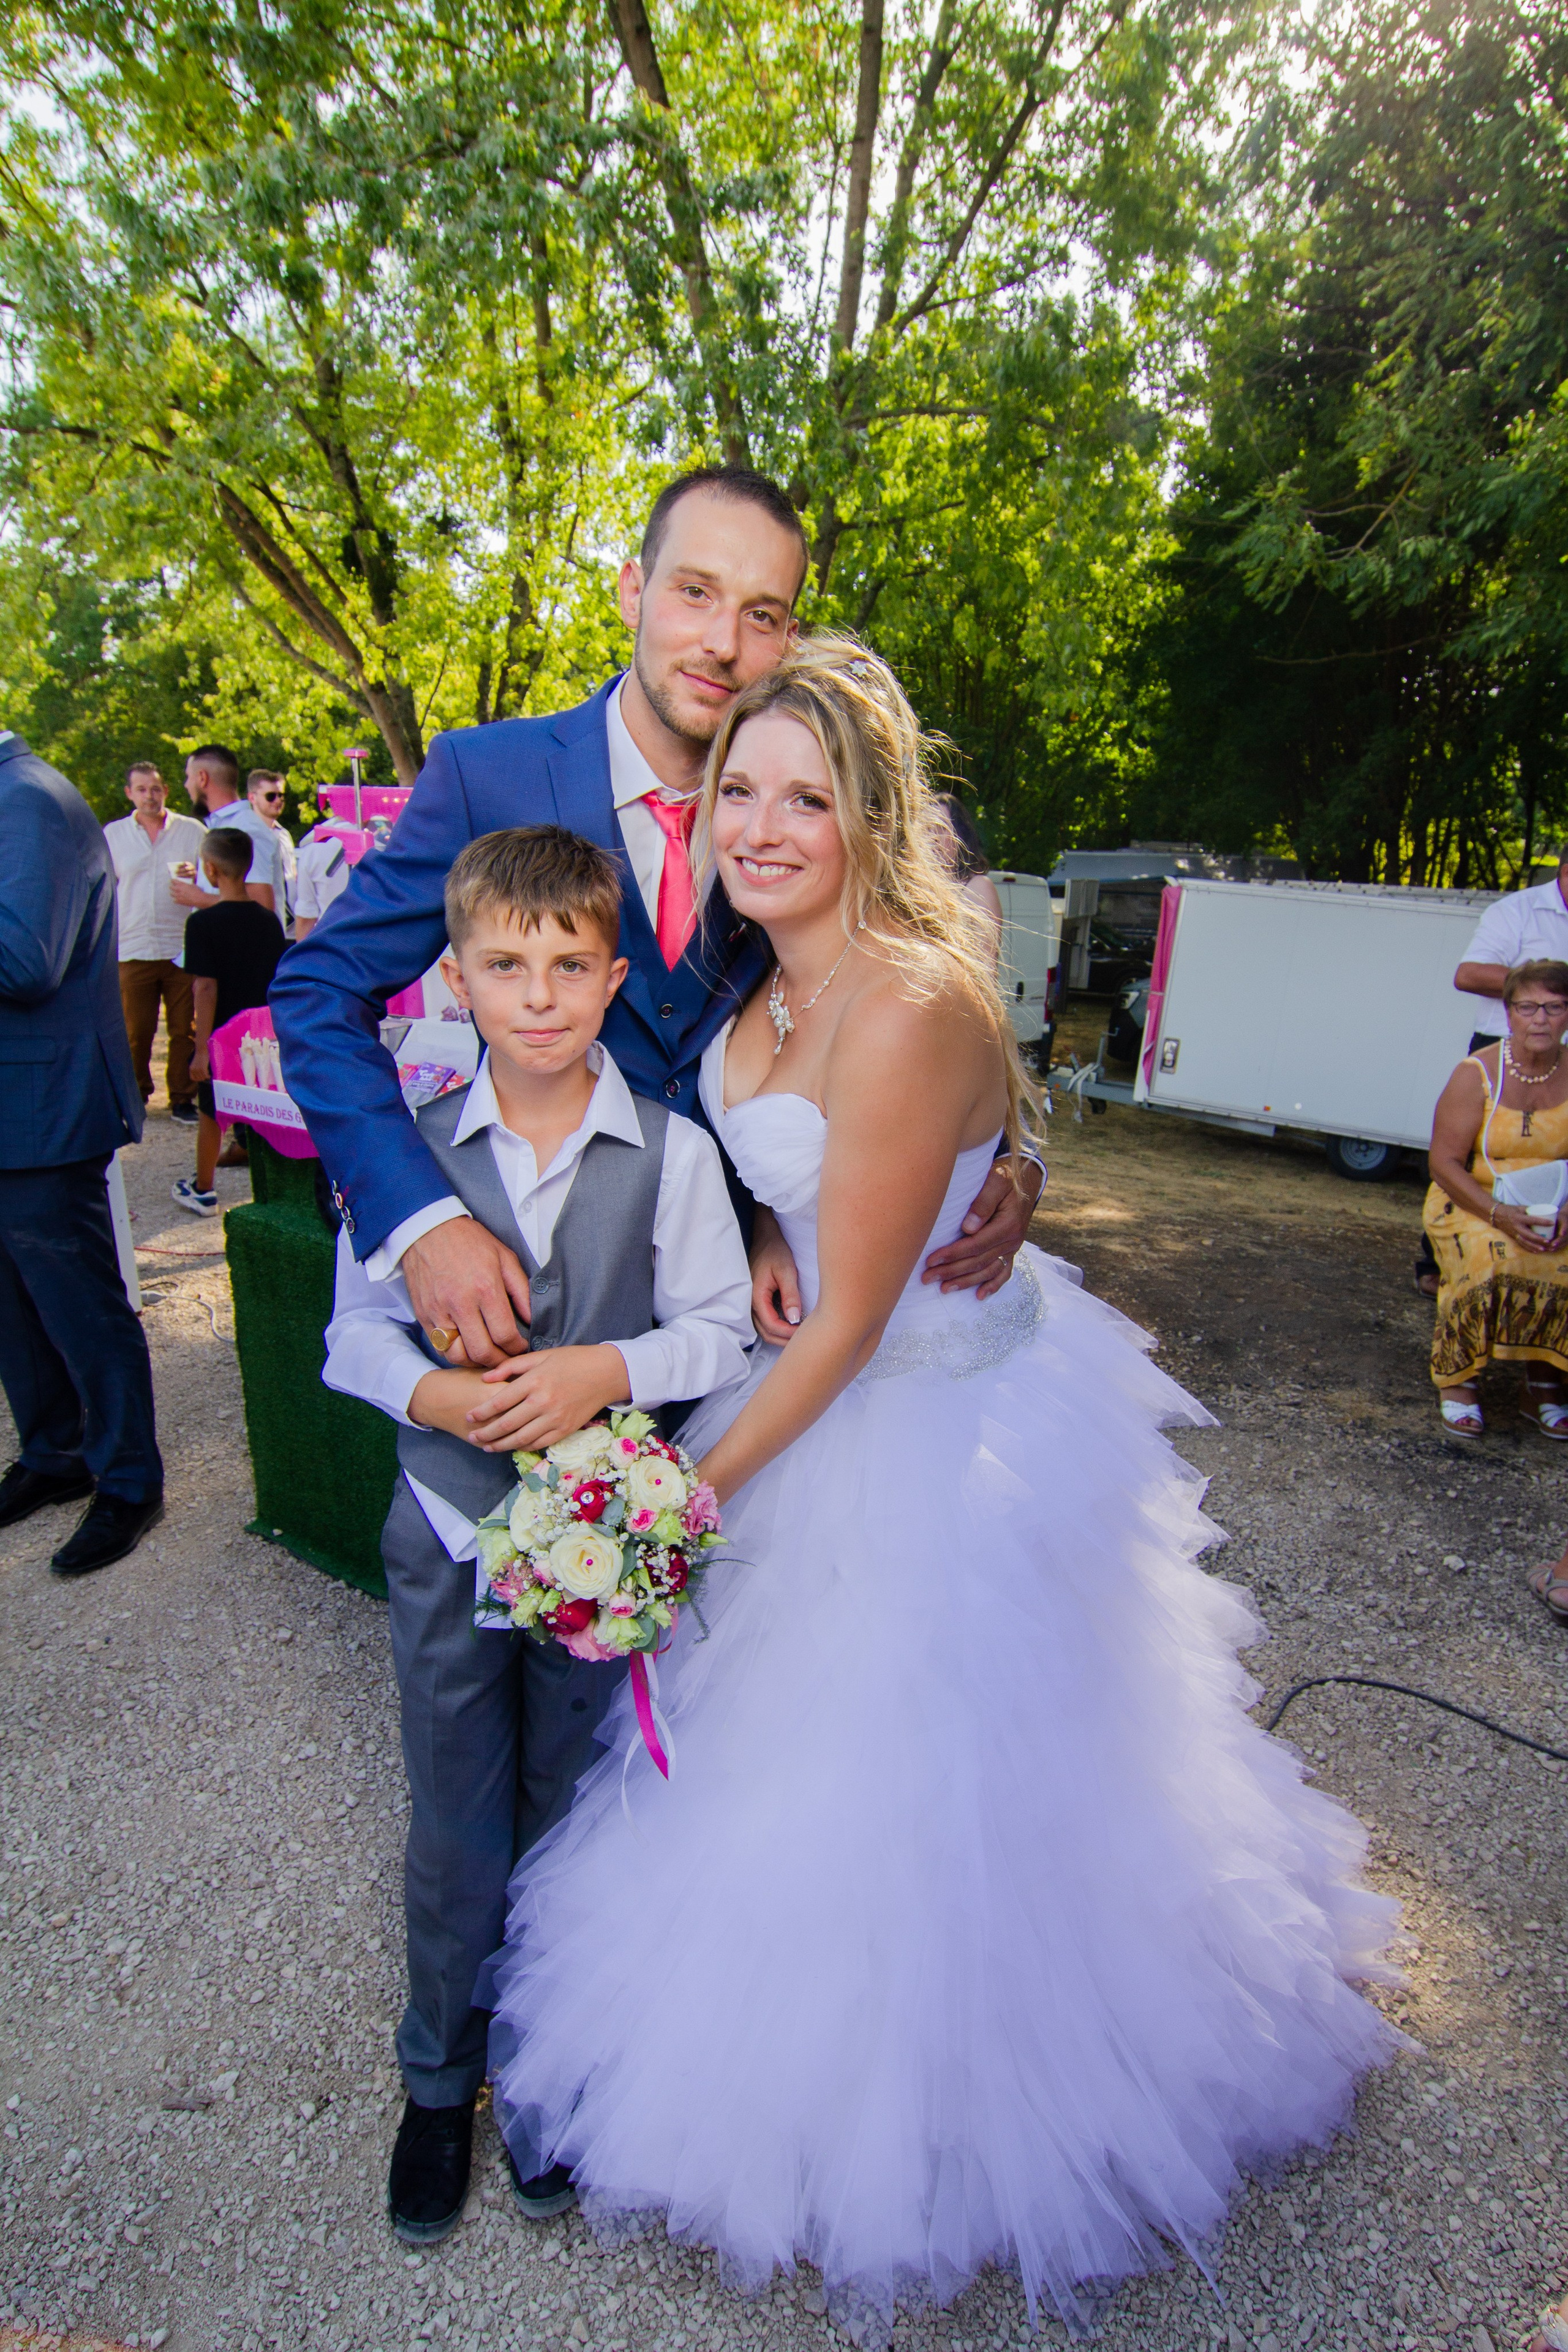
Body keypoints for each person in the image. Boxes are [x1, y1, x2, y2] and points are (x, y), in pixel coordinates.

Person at [479, 641, 1400, 2339]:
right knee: (782, 1767)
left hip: (913, 1421)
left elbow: (849, 1331)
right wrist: (760, 1229)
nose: (760, 826)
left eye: (804, 799)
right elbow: (794, 1198)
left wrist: (674, 1493)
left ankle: (933, 2123)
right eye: (736, 790)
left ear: (867, 815)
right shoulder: (758, 990)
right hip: (820, 1356)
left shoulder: (905, 1004)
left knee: (917, 1788)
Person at [270, 464, 1041, 1385]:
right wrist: (422, 1220)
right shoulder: (489, 776)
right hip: (537, 1310)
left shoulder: (803, 820)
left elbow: (915, 989)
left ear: (788, 637)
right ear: (633, 590)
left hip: (746, 1330)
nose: (721, 643)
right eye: (695, 591)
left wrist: (1009, 1155)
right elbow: (319, 989)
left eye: (761, 614)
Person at [320, 826, 754, 2244]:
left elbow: (713, 1329)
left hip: (599, 1547)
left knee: (570, 1809)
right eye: (506, 965)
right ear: (454, 981)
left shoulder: (672, 1153)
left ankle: (547, 2069)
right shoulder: (415, 1157)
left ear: (613, 974)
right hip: (450, 1527)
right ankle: (438, 2080)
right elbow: (352, 1337)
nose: (542, 994)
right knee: (455, 1812)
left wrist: (603, 1368)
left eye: (570, 964)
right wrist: (442, 1388)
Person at [0, 729, 165, 1576]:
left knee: (79, 1304)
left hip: (40, 1108)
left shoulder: (26, 800)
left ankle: (129, 1479)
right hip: (14, 1106)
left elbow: (26, 961)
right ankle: (55, 1453)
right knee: (15, 1305)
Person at [1424, 959, 1568, 1439]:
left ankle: (1544, 1383)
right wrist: (1500, 1215)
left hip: (1552, 1205)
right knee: (1491, 1256)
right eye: (1528, 1007)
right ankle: (1460, 1380)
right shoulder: (1476, 1074)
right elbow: (1443, 1163)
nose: (1541, 1019)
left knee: (1560, 1260)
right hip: (1470, 1200)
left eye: (1554, 1007)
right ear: (1509, 1015)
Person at [173, 829, 285, 1216]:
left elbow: (205, 988)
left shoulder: (202, 924)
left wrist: (201, 1047)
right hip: (260, 1035)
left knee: (211, 1113)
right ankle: (275, 1189)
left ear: (209, 868)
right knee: (262, 1110)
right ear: (249, 866)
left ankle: (203, 1188)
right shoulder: (269, 921)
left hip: (221, 1037)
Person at [104, 761, 209, 1128]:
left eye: (156, 788)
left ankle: (182, 1098)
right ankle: (134, 1097)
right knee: (135, 1030)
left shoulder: (192, 831)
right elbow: (104, 892)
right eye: (142, 789)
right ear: (129, 793)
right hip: (132, 947)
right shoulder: (113, 835)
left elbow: (210, 882)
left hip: (182, 944)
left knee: (186, 1029)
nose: (150, 796)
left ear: (166, 791)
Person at [169, 743, 281, 916]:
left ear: (202, 778)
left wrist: (200, 898)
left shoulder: (246, 829)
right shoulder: (222, 826)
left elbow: (262, 905)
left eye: (188, 777)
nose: (186, 785)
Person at [244, 767, 298, 930]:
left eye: (281, 795)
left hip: (289, 924)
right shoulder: (247, 835)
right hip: (261, 924)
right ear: (252, 798)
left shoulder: (284, 835)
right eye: (271, 796)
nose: (278, 800)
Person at [291, 815, 352, 941]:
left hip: (331, 944)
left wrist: (303, 959)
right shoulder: (386, 844)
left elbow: (306, 918)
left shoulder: (314, 850)